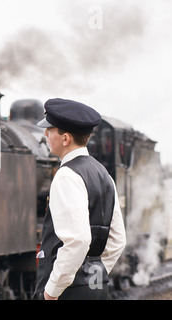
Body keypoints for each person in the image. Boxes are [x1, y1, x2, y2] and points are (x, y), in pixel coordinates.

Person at [33, 98, 126, 300]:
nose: (45, 134)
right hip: (96, 288)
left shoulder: (66, 176)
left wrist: (52, 291)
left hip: (67, 292)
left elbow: (78, 240)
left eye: (50, 129)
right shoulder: (104, 174)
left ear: (65, 138)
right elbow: (118, 240)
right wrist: (95, 273)